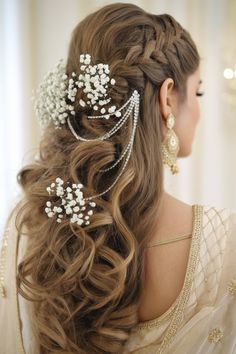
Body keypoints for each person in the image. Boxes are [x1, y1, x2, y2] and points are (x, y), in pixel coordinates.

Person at [0, 2, 236, 354]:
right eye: (198, 91)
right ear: (167, 97)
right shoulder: (224, 243)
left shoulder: (27, 228)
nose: (200, 109)